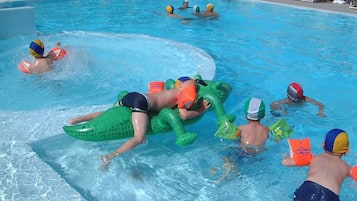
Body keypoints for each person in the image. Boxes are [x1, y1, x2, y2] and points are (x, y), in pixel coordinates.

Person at [68, 76, 211, 168]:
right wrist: (202, 110)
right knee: (140, 138)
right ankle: (109, 157)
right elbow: (184, 116)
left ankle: (77, 119)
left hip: (134, 95)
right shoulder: (185, 94)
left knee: (109, 113)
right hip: (141, 103)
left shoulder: (173, 89)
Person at [282, 128, 354, 201]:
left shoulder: (314, 158)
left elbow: (285, 162)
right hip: (329, 196)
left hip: (308, 189)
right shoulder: (346, 167)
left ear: (323, 145)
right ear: (347, 151)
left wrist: (290, 153)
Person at [212, 97, 269, 184]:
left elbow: (235, 140)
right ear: (263, 115)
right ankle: (233, 172)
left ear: (245, 115)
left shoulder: (242, 128)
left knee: (226, 157)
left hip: (241, 152)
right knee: (238, 165)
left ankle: (224, 173)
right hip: (255, 157)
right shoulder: (266, 130)